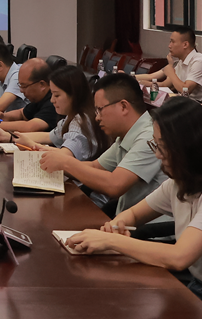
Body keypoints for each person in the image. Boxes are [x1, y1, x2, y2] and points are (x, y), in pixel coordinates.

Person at [65, 98, 202, 319]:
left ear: (188, 147)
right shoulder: (179, 183)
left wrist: (111, 241)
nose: (158, 155)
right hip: (200, 290)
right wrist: (117, 225)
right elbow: (133, 215)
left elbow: (178, 257)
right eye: (156, 145)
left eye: (162, 147)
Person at [39, 74, 168, 217]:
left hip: (151, 227)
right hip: (127, 218)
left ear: (123, 106)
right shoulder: (126, 134)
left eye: (100, 109)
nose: (97, 117)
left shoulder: (149, 136)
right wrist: (55, 163)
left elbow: (114, 185)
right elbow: (95, 166)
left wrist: (66, 163)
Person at [0, 63, 108, 162]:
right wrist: (9, 137)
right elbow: (49, 136)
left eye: (57, 95)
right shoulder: (72, 116)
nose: (52, 100)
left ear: (74, 95)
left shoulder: (80, 122)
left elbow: (64, 157)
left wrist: (31, 144)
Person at [136, 26, 202, 102]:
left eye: (173, 42)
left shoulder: (199, 62)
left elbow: (185, 90)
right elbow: (165, 85)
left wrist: (171, 71)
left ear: (185, 44)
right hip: (186, 103)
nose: (169, 46)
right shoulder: (181, 62)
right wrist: (142, 82)